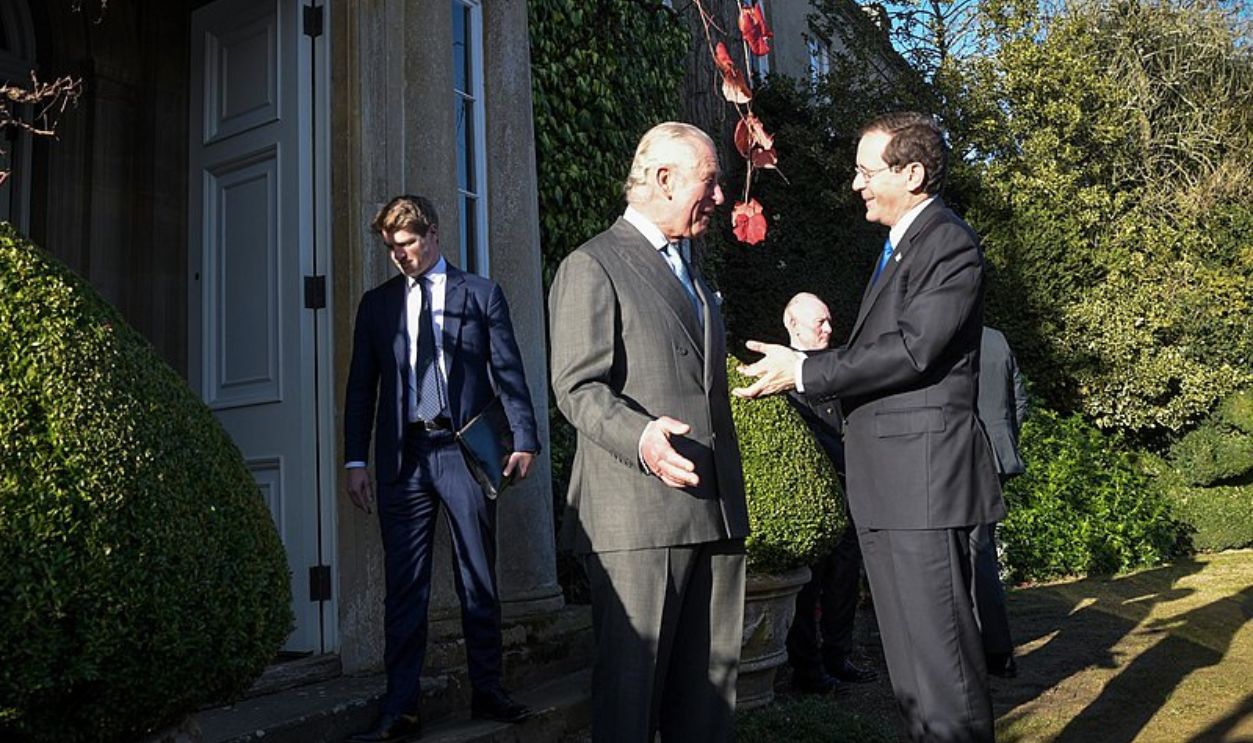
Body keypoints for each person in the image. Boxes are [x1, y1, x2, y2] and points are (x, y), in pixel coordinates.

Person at [734, 112, 1005, 742]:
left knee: (941, 668)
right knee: (911, 671)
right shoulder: (906, 245)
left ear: (912, 174)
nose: (856, 184)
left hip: (922, 488)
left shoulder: (946, 243)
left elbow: (913, 348)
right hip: (893, 487)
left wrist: (806, 370)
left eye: (865, 171)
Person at [548, 122, 750, 743]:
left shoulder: (692, 271)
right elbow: (577, 387)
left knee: (706, 708)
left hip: (712, 511)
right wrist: (641, 438)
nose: (719, 197)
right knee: (629, 708)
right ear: (664, 179)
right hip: (637, 521)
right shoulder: (593, 265)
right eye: (709, 182)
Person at [343, 195, 540, 742]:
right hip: (403, 458)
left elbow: (508, 369)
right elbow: (361, 389)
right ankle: (400, 708)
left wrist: (524, 438)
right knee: (404, 586)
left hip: (463, 453)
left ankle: (488, 690)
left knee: (477, 575)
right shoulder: (377, 305)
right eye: (391, 248)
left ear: (432, 233)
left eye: (407, 243)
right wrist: (355, 460)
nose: (399, 255)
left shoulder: (479, 294)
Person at [780, 293, 877, 695]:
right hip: (808, 497)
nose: (828, 329)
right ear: (792, 323)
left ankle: (839, 656)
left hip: (850, 488)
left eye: (829, 320)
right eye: (819, 322)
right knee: (808, 585)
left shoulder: (841, 367)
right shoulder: (779, 373)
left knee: (844, 579)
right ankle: (807, 669)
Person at [973, 326, 1029, 678]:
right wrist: (1004, 440)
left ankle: (994, 650)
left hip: (967, 456)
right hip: (999, 455)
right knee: (982, 548)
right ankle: (992, 649)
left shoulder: (946, 338)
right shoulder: (997, 339)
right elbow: (1019, 400)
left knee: (976, 552)